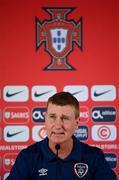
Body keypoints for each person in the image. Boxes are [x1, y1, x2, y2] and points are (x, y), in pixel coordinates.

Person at [6, 92, 117, 180]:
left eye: (65, 118)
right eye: (52, 117)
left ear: (76, 123)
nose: (58, 125)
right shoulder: (27, 157)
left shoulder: (94, 156)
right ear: (45, 119)